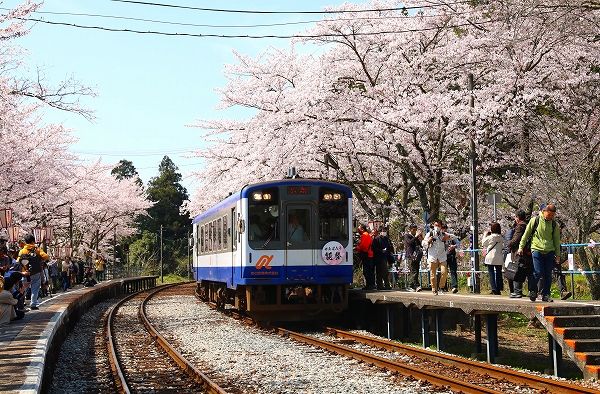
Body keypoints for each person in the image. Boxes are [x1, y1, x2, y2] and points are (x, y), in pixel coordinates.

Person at [518, 203, 560, 302]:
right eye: (548, 214)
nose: (550, 217)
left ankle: (546, 294)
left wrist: (557, 255)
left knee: (548, 274)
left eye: (552, 215)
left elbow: (556, 241)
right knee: (538, 271)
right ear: (543, 211)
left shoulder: (554, 224)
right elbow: (526, 234)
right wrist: (521, 247)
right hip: (536, 249)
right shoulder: (535, 220)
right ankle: (532, 290)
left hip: (549, 251)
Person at [422, 220, 457, 295]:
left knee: (444, 272)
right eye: (435, 225)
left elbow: (454, 237)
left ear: (441, 226)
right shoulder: (430, 234)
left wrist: (447, 237)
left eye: (438, 225)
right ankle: (434, 289)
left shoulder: (443, 234)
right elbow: (423, 243)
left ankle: (441, 287)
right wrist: (428, 241)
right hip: (432, 256)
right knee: (433, 275)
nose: (436, 227)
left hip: (442, 256)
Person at [18, 234, 49, 310]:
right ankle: (33, 304)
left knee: (24, 287)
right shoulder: (36, 249)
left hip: (25, 272)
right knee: (35, 288)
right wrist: (39, 259)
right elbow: (45, 256)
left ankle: (22, 302)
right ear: (32, 241)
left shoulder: (22, 251)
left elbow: (18, 261)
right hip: (35, 271)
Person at [507, 210, 528, 298]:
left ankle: (517, 291)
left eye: (515, 217)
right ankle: (521, 290)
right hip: (526, 251)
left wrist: (509, 244)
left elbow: (516, 238)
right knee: (523, 270)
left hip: (518, 251)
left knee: (516, 270)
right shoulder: (527, 225)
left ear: (518, 218)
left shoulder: (520, 226)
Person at [482, 222, 504, 295]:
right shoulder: (501, 237)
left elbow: (483, 243)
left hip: (490, 257)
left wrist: (485, 235)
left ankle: (493, 289)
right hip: (499, 257)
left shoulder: (491, 237)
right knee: (499, 273)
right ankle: (499, 289)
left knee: (491, 273)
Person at [356, 223, 375, 290]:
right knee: (368, 270)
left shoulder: (365, 235)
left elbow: (363, 245)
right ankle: (371, 284)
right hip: (369, 254)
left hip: (367, 254)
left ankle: (370, 284)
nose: (358, 230)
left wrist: (357, 248)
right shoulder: (367, 235)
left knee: (367, 270)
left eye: (358, 229)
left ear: (362, 229)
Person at [404, 224, 424, 292]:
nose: (415, 231)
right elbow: (410, 243)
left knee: (416, 270)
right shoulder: (407, 236)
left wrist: (420, 239)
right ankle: (417, 285)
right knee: (413, 270)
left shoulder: (416, 237)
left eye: (416, 229)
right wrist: (415, 237)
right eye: (413, 229)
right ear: (410, 229)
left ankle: (410, 285)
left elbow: (419, 245)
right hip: (410, 255)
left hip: (416, 255)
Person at [442, 224, 460, 293]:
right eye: (443, 228)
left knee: (453, 271)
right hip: (443, 256)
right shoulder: (439, 237)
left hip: (451, 256)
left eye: (445, 228)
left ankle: (454, 286)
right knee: (443, 272)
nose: (444, 230)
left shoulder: (451, 236)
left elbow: (458, 243)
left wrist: (454, 246)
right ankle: (443, 287)